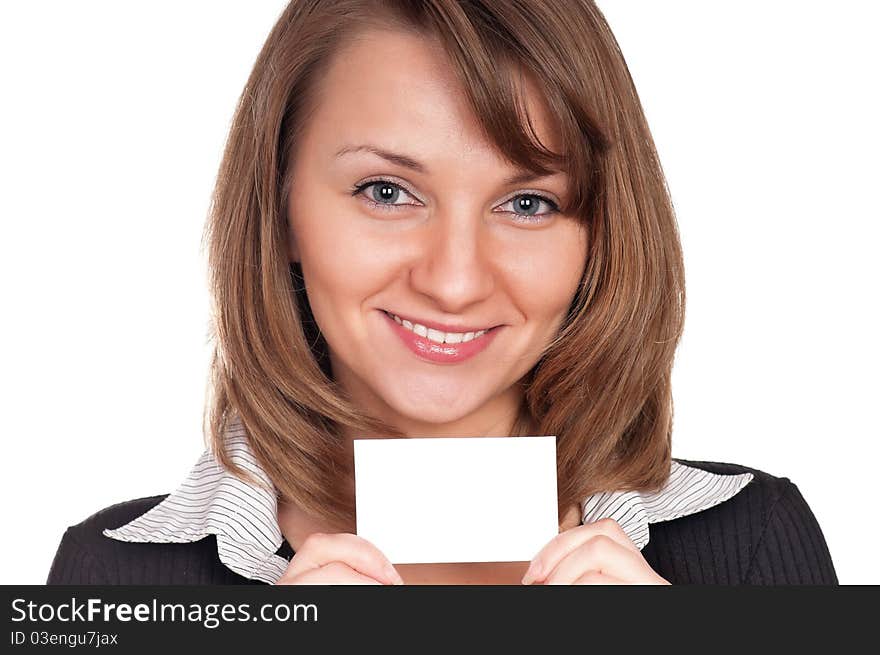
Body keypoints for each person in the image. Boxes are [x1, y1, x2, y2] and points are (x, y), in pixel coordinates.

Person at [47, 0, 837, 585]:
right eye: (387, 192)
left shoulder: (754, 540)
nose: (454, 281)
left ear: (598, 235)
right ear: (279, 205)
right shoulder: (109, 580)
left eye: (528, 203)